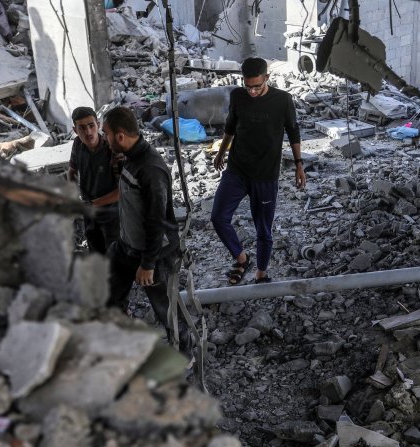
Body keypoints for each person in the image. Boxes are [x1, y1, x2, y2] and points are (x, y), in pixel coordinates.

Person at [103, 106, 191, 355]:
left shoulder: (150, 168)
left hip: (154, 254)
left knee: (166, 308)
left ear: (120, 136)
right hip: (126, 247)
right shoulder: (131, 158)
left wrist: (148, 264)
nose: (105, 140)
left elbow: (157, 220)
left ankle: (186, 353)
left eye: (107, 135)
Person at [211, 57, 306, 285]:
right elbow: (230, 127)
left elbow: (293, 131)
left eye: (257, 86)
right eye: (248, 86)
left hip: (265, 174)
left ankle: (261, 273)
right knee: (218, 217)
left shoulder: (283, 100)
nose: (252, 91)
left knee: (263, 229)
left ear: (267, 78)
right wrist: (221, 152)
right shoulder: (238, 96)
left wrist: (299, 163)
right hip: (237, 169)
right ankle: (242, 259)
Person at [67, 106, 121, 254]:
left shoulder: (112, 149)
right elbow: (72, 170)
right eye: (82, 128)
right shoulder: (77, 144)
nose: (88, 132)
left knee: (115, 255)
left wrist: (93, 203)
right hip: (89, 212)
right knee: (95, 252)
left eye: (91, 126)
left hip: (112, 213)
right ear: (75, 130)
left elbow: (123, 191)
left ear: (98, 124)